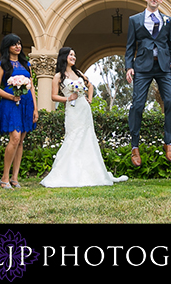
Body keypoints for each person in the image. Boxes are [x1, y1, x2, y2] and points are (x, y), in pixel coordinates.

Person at [41, 48, 129, 187]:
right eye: (71, 54)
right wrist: (68, 98)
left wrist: (89, 98)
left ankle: (92, 172)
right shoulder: (58, 76)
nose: (73, 57)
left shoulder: (79, 73)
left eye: (74, 55)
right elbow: (53, 96)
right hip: (72, 109)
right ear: (64, 57)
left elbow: (90, 85)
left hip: (84, 108)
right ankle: (69, 173)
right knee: (73, 137)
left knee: (87, 137)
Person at [125, 0, 171, 165]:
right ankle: (134, 146)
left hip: (164, 68)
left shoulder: (168, 20)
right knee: (138, 105)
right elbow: (130, 46)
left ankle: (168, 143)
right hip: (142, 67)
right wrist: (128, 67)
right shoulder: (135, 20)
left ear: (161, 0)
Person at [0, 34, 38, 190]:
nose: (18, 46)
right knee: (15, 137)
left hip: (26, 103)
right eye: (14, 44)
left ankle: (15, 178)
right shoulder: (1, 65)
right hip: (11, 103)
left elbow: (32, 87)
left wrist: (35, 108)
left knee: (21, 139)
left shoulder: (26, 64)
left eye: (19, 43)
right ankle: (4, 177)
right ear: (7, 47)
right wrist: (11, 97)